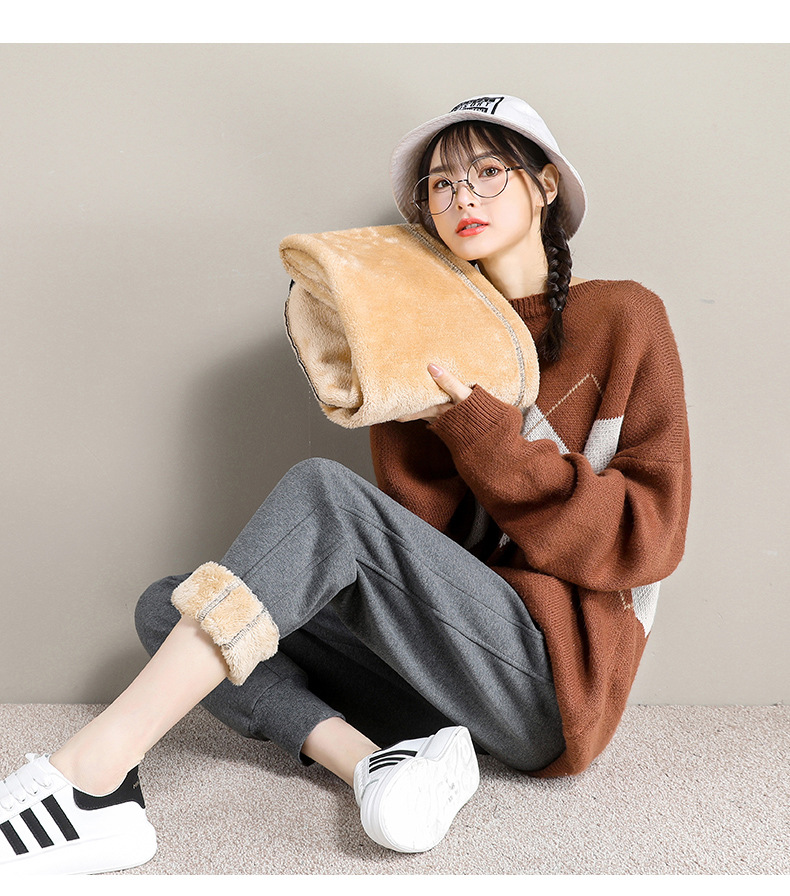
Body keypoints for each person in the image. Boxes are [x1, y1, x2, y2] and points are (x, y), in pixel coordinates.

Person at [0, 93, 691, 874]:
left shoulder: (625, 317)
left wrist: (483, 429)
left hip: (549, 688)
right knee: (171, 604)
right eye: (441, 183)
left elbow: (648, 539)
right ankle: (373, 767)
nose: (462, 197)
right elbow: (412, 546)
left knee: (321, 496)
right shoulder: (422, 340)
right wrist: (401, 389)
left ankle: (91, 780)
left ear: (546, 185)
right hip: (437, 677)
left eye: (489, 172)